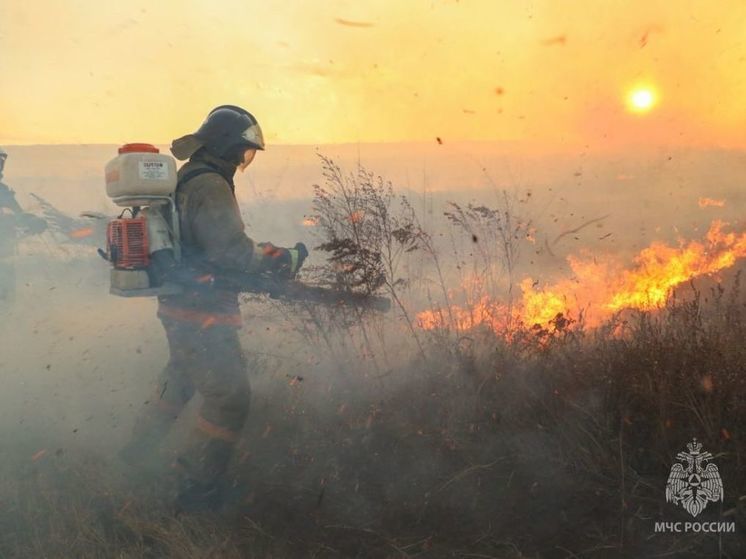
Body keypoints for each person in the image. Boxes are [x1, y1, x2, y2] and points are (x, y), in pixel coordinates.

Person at [119, 106, 307, 512]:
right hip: (203, 314)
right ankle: (198, 490)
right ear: (226, 146)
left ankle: (133, 459)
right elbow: (231, 251)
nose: (244, 161)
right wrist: (281, 259)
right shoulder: (210, 184)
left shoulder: (188, 176)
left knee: (179, 385)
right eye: (243, 152)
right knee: (230, 399)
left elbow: (207, 246)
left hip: (182, 307)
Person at [0, 146, 47, 303]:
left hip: (4, 256)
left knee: (6, 299)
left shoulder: (3, 192)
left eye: (0, 162)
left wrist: (33, 221)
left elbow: (18, 215)